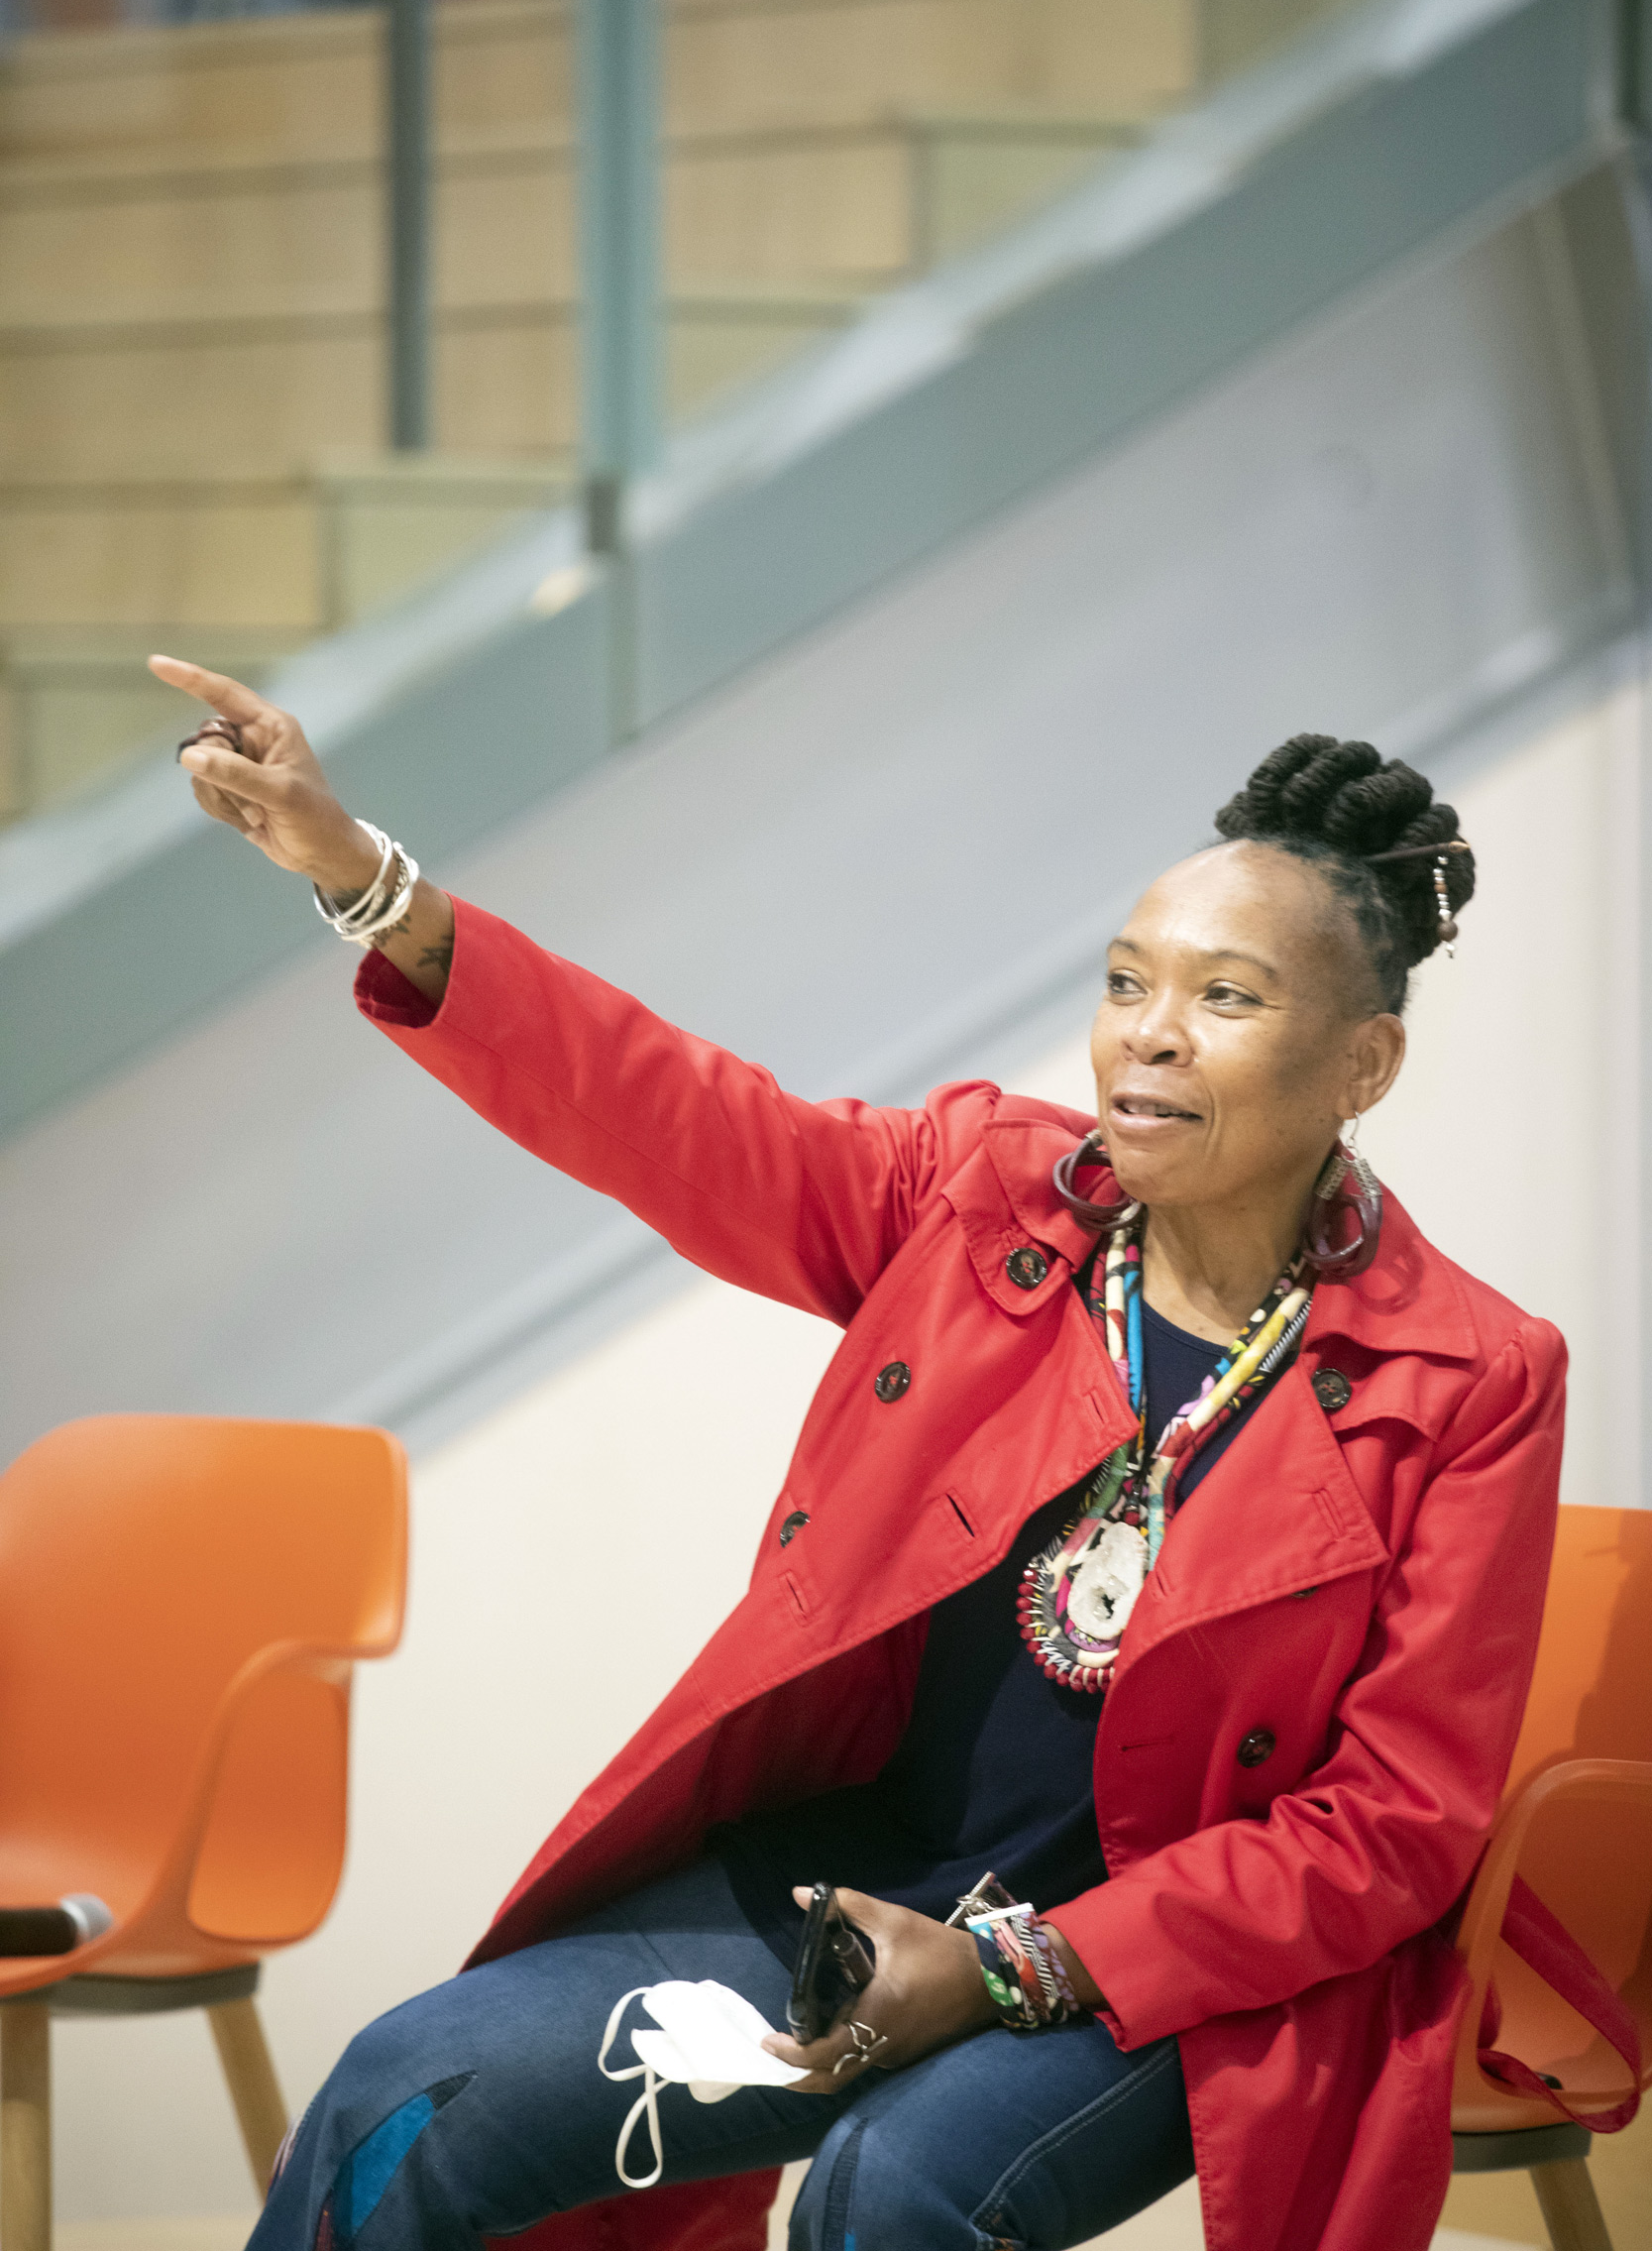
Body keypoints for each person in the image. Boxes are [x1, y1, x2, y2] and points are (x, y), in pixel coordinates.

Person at [152, 654, 1565, 2251]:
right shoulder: (978, 1197)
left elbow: (1394, 1826)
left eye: (1225, 999)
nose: (1148, 1040)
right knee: (405, 2094)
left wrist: (1008, 1968)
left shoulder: (1471, 1375)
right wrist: (368, 883)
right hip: (861, 1886)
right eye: (1124, 983)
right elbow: (673, 1114)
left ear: (1362, 1067)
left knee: (892, 2192)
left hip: (1168, 1957)